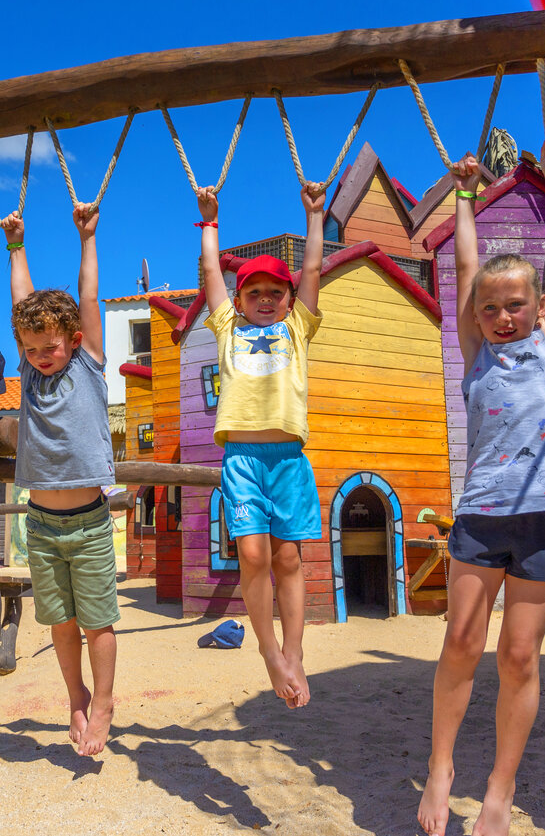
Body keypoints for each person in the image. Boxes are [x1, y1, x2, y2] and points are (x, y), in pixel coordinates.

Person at [418, 140, 545, 836]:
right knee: (461, 637)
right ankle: (440, 766)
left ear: (539, 306)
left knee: (519, 655)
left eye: (516, 304)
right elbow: (463, 269)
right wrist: (462, 196)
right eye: (491, 308)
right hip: (483, 516)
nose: (503, 316)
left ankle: (499, 787)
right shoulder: (478, 358)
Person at [197, 181, 325, 709]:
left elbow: (314, 271)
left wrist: (314, 216)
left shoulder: (298, 329)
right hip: (243, 459)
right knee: (252, 553)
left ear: (290, 299)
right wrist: (209, 223)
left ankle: (294, 652)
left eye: (275, 292)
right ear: (241, 301)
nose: (266, 300)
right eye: (255, 293)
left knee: (289, 559)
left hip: (288, 459)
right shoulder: (227, 328)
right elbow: (211, 276)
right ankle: (270, 652)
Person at [1, 203, 118, 756]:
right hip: (42, 524)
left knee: (97, 623)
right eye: (32, 349)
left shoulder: (88, 362)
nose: (43, 356)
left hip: (90, 524)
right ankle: (75, 696)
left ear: (72, 338)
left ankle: (105, 702)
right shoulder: (28, 372)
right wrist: (16, 245)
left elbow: (88, 297)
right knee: (62, 623)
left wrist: (86, 237)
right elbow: (22, 304)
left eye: (51, 346)